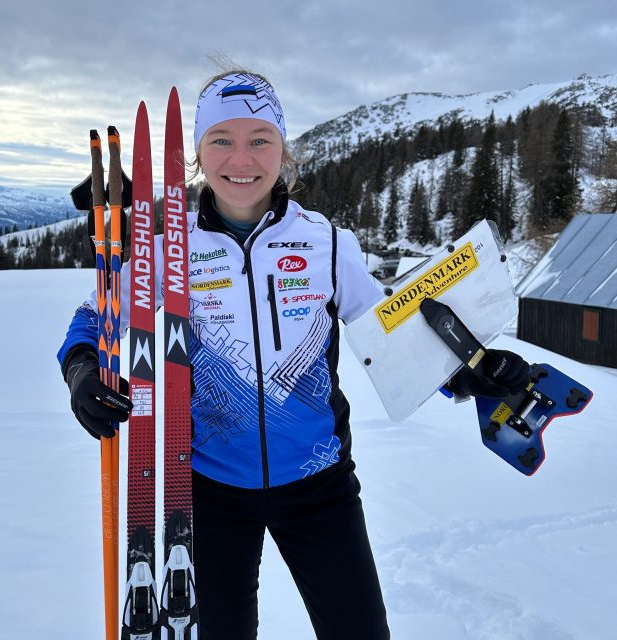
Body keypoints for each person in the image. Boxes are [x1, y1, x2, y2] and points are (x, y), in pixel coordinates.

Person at [57, 69, 529, 639]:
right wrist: (82, 368)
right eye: (221, 140)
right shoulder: (171, 249)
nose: (243, 158)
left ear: (285, 152)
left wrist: (472, 372)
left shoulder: (327, 244)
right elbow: (93, 318)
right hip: (207, 493)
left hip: (319, 487)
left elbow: (394, 336)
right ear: (199, 156)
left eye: (261, 139)